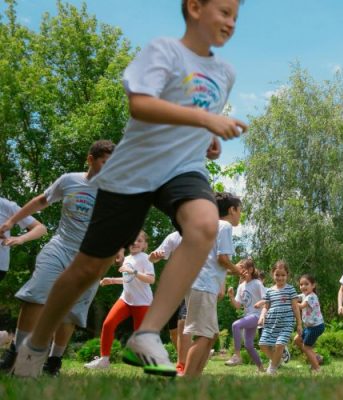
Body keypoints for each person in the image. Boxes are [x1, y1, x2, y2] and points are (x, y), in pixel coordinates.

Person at [11, 0, 247, 378]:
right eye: (223, 11)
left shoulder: (225, 72)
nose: (231, 22)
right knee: (88, 269)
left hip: (182, 168)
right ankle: (35, 346)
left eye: (235, 15)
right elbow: (141, 105)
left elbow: (195, 120)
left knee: (205, 225)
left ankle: (147, 333)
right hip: (135, 168)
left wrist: (207, 137)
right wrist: (205, 121)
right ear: (195, 7)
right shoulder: (163, 51)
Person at [0, 140, 113, 376]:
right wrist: (11, 221)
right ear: (90, 159)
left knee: (71, 310)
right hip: (60, 247)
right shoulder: (69, 180)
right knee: (36, 294)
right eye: (105, 162)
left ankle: (53, 362)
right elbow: (42, 201)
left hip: (91, 256)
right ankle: (16, 354)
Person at [183, 192, 241, 377]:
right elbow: (222, 259)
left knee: (212, 334)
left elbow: (215, 264)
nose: (240, 215)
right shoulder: (224, 226)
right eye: (240, 210)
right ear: (232, 210)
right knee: (204, 334)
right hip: (203, 285)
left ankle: (195, 377)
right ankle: (187, 380)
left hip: (199, 284)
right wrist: (237, 270)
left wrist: (233, 269)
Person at [85, 231, 155, 370]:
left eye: (139, 241)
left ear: (144, 245)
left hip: (142, 303)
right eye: (133, 240)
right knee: (108, 324)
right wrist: (111, 280)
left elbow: (151, 279)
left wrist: (133, 271)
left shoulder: (146, 259)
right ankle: (104, 360)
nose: (135, 243)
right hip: (126, 300)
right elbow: (128, 279)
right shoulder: (127, 259)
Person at [147, 231, 189, 373]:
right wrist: (153, 257)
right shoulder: (173, 237)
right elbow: (153, 258)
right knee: (173, 332)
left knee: (182, 324)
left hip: (191, 286)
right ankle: (189, 357)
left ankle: (181, 364)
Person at [258, 260, 302, 375]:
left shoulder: (290, 289)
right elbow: (266, 307)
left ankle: (272, 369)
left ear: (287, 275)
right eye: (277, 275)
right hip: (271, 322)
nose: (280, 278)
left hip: (286, 322)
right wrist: (262, 316)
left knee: (279, 344)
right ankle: (278, 359)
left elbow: (295, 307)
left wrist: (299, 324)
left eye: (283, 275)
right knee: (262, 344)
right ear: (272, 274)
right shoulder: (269, 291)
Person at [225, 258, 265, 371]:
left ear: (251, 270)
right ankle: (261, 368)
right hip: (248, 317)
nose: (241, 271)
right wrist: (231, 297)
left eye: (243, 269)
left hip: (257, 316)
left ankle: (237, 356)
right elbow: (238, 305)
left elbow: (266, 298)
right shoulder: (241, 286)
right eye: (240, 269)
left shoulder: (257, 283)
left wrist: (260, 303)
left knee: (236, 325)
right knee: (248, 345)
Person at [294, 274, 324, 373]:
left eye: (306, 284)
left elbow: (301, 306)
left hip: (316, 327)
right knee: (297, 339)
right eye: (301, 284)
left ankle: (317, 369)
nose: (303, 286)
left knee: (306, 347)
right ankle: (316, 357)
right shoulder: (304, 295)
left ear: (313, 285)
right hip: (309, 327)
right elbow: (295, 297)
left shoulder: (311, 297)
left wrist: (293, 303)